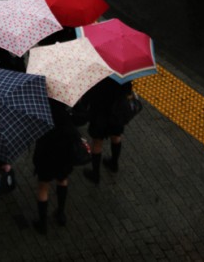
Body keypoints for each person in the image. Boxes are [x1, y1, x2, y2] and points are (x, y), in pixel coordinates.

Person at [32, 99, 79, 234]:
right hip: (64, 152)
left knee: (43, 187)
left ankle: (42, 223)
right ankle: (61, 213)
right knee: (63, 179)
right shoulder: (65, 113)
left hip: (46, 153)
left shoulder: (40, 109)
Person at [82, 77, 133, 184]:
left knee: (97, 142)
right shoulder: (122, 73)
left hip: (99, 113)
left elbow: (89, 93)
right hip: (116, 113)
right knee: (116, 136)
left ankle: (95, 174)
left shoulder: (98, 73)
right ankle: (114, 164)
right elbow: (128, 92)